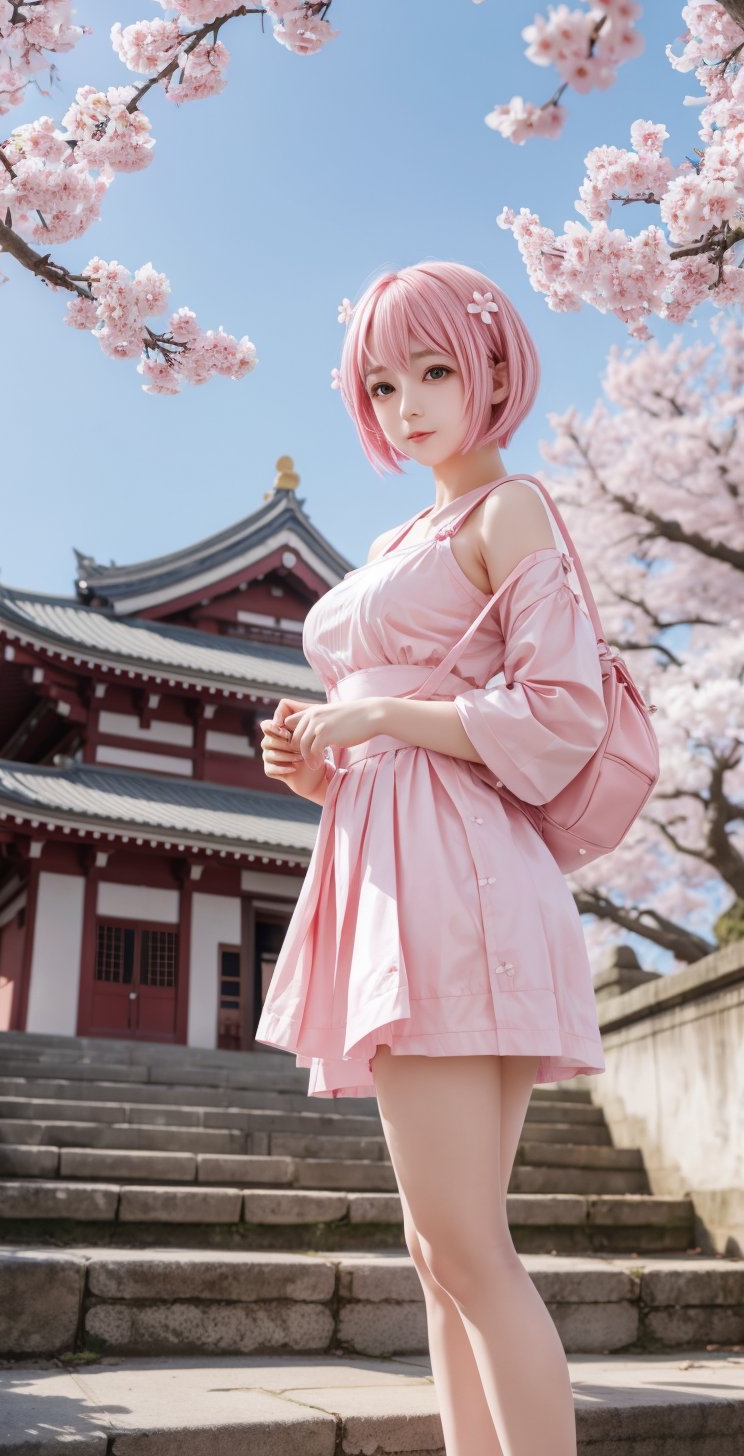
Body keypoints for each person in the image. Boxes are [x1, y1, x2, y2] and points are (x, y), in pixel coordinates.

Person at [256, 259, 609, 1455]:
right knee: (435, 1247)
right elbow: (395, 717)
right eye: (384, 381)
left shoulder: (514, 510)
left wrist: (379, 716)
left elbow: (562, 713)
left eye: (437, 370)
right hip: (399, 862)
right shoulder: (404, 530)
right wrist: (321, 765)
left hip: (463, 885)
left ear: (494, 368)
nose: (408, 404)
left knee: (462, 1241)